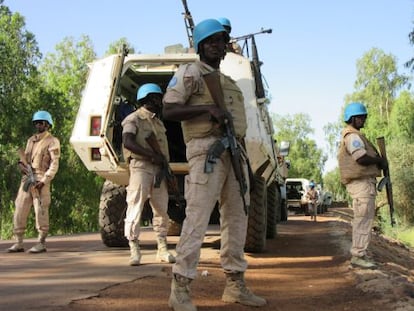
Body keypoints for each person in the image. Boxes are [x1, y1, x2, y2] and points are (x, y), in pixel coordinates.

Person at [163, 19, 266, 310]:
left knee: (236, 220)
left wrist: (242, 160)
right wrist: (207, 108)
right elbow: (169, 110)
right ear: (199, 45)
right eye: (211, 41)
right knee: (196, 219)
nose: (217, 45)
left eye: (221, 41)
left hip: (234, 154)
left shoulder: (230, 83)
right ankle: (180, 288)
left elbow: (240, 126)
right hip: (205, 150)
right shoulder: (190, 73)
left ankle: (235, 285)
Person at [121, 83, 176, 266]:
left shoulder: (158, 123)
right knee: (135, 207)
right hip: (141, 167)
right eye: (158, 97)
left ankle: (162, 248)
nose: (160, 101)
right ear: (149, 98)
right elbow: (128, 142)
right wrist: (152, 155)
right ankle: (134, 249)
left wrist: (165, 168)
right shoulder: (133, 119)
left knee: (161, 209)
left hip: (159, 170)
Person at [337, 102, 387, 269]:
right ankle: (358, 255)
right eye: (362, 118)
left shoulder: (354, 135)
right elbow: (361, 158)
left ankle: (360, 254)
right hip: (361, 184)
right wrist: (379, 161)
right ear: (354, 118)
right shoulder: (352, 136)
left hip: (363, 184)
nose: (364, 120)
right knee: (363, 219)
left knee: (363, 219)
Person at [7, 110, 61, 254]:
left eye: (41, 123)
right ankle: (18, 241)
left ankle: (41, 242)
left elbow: (54, 164)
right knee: (20, 207)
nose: (38, 125)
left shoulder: (52, 141)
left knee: (41, 210)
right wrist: (21, 165)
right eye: (36, 123)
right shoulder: (31, 140)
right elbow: (25, 158)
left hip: (41, 178)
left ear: (48, 124)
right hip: (28, 178)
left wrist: (44, 181)